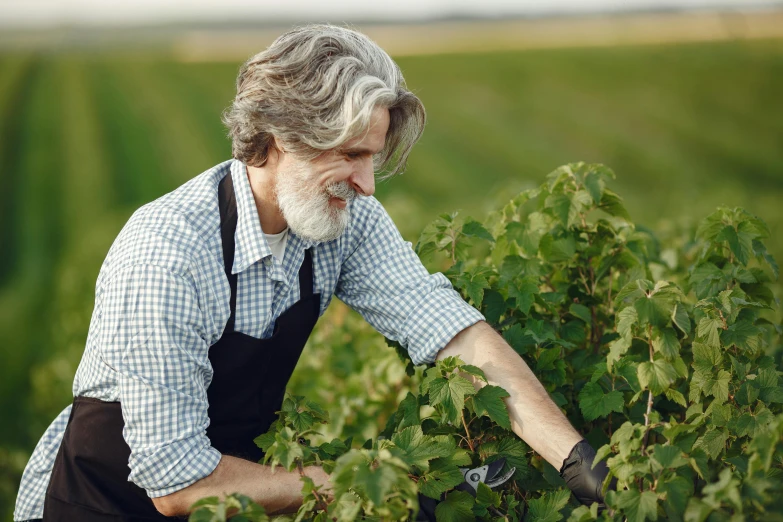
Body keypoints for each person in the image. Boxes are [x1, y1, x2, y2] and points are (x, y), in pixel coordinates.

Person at [14, 23, 609, 522]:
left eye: (372, 157)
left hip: (231, 497)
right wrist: (368, 481)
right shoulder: (168, 254)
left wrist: (577, 459)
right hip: (103, 501)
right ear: (279, 137)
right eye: (349, 154)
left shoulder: (343, 221)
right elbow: (177, 485)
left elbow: (456, 336)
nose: (367, 184)